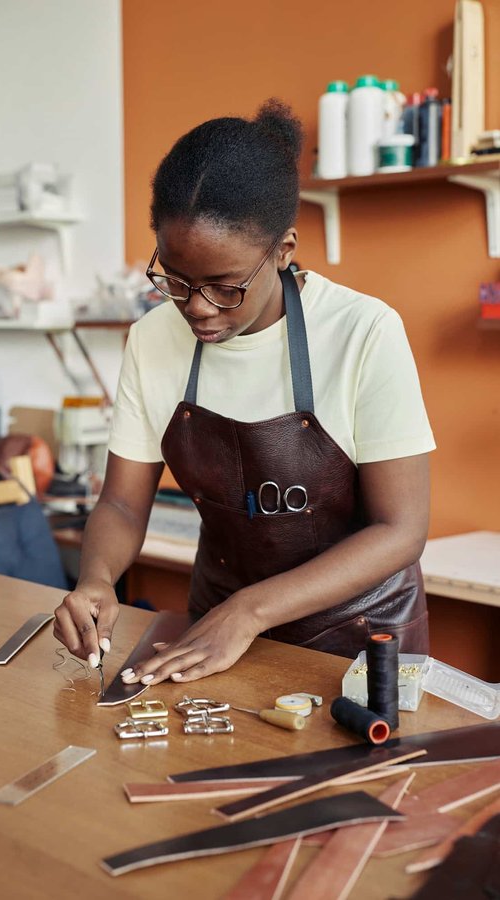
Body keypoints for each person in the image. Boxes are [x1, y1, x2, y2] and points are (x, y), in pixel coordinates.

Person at [54, 99, 435, 687]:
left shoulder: (363, 331)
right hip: (216, 631)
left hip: (360, 641)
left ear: (282, 253)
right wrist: (97, 579)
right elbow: (124, 504)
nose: (198, 309)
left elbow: (400, 529)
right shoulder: (151, 340)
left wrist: (251, 611)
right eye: (176, 283)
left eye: (224, 287)